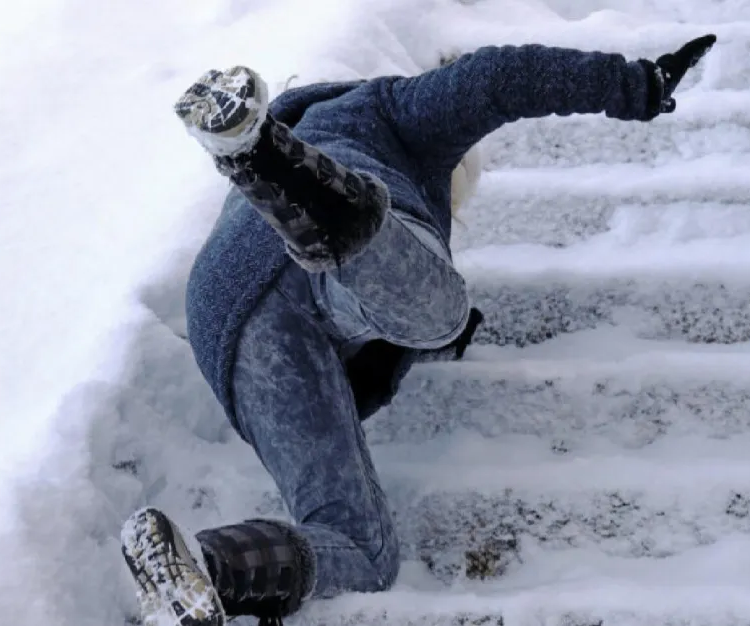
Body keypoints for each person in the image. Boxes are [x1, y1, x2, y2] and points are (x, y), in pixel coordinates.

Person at [119, 35, 718, 626]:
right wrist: (637, 84)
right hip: (319, 262)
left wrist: (403, 357)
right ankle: (336, 215)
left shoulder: (326, 150)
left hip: (227, 313)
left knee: (363, 549)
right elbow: (496, 79)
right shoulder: (384, 110)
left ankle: (207, 568)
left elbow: (363, 374)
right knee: (439, 311)